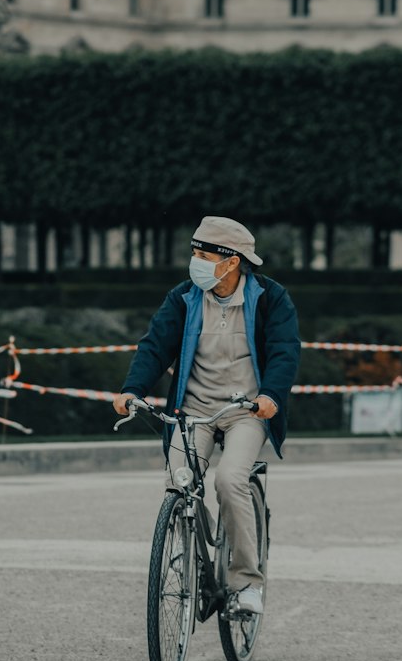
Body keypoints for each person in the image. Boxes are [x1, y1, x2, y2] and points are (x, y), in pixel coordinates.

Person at [113, 216, 300, 615]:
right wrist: (133, 389)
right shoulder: (184, 297)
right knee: (178, 483)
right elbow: (155, 346)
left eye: (203, 254)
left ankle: (247, 582)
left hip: (245, 411)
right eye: (194, 252)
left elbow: (285, 350)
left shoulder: (270, 297)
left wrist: (270, 396)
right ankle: (190, 546)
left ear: (231, 262)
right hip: (192, 410)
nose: (194, 261)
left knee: (231, 481)